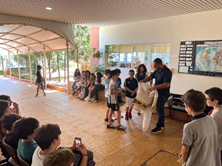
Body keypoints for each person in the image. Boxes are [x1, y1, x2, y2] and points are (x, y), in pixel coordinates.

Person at [179, 89, 220, 166]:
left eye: (185, 105)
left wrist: (183, 160)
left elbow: (185, 148)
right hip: (210, 159)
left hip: (197, 161)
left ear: (190, 108)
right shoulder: (210, 118)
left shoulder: (189, 126)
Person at [140, 58, 172, 133]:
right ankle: (162, 124)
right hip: (157, 93)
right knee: (160, 109)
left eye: (155, 65)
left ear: (160, 64)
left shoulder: (167, 72)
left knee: (160, 109)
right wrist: (143, 81)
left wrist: (155, 87)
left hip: (163, 94)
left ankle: (159, 127)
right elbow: (150, 77)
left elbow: (166, 84)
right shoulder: (157, 71)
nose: (154, 67)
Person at [205, 87, 222, 161]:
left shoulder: (215, 116)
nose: (205, 100)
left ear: (215, 101)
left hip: (217, 144)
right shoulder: (218, 109)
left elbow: (211, 132)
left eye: (207, 99)